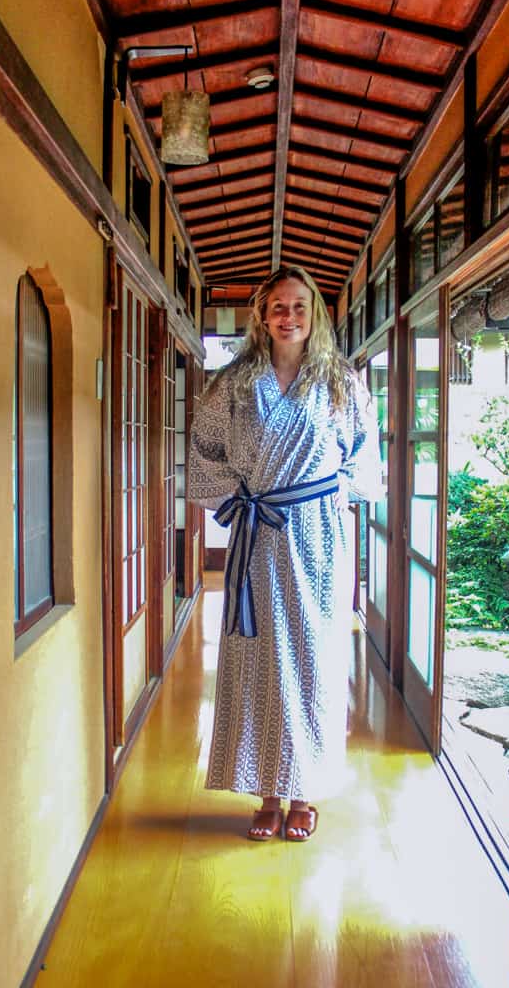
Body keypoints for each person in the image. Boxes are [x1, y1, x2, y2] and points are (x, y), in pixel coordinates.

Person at [188, 266, 383, 842]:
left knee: (312, 660)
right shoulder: (233, 383)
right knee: (256, 662)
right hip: (257, 540)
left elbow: (364, 458)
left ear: (314, 313)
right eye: (278, 306)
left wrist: (327, 496)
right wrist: (239, 499)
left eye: (300, 306)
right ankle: (266, 793)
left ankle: (304, 792)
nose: (289, 316)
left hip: (318, 539)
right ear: (262, 315)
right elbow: (203, 452)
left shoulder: (342, 382)